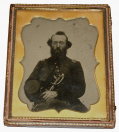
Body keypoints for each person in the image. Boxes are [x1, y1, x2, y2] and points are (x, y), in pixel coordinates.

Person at [24, 31, 88, 112]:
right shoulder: (42, 64)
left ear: (67, 45)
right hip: (45, 103)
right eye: (55, 43)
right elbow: (29, 86)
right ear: (50, 44)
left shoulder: (75, 65)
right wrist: (39, 98)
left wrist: (58, 93)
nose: (58, 46)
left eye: (61, 43)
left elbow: (80, 89)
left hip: (70, 104)